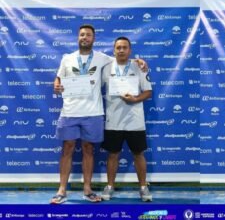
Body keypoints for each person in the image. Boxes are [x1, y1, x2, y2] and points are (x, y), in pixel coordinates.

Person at [51, 25, 146, 204]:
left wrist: (138, 61)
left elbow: (122, 58)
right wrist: (56, 85)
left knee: (88, 150)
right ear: (78, 38)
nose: (84, 37)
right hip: (69, 111)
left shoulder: (103, 58)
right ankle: (61, 190)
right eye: (82, 34)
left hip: (93, 113)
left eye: (88, 35)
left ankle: (87, 189)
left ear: (94, 39)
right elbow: (58, 78)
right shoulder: (67, 58)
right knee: (67, 149)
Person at [100, 36, 153, 202]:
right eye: (118, 48)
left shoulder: (139, 67)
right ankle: (109, 187)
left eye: (124, 47)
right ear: (114, 50)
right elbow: (94, 86)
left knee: (138, 154)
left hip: (134, 121)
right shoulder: (106, 68)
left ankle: (143, 188)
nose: (121, 50)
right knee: (113, 155)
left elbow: (148, 92)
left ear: (129, 50)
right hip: (113, 121)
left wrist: (135, 99)